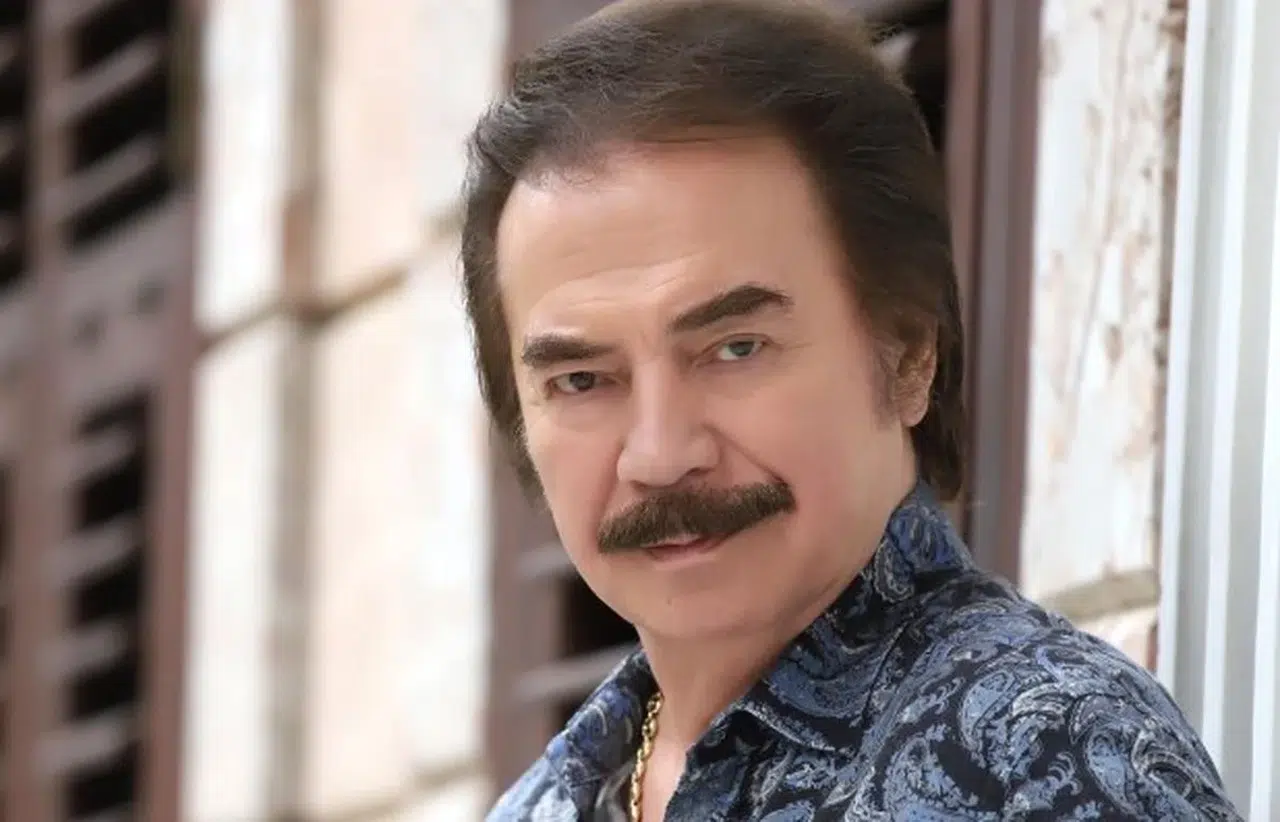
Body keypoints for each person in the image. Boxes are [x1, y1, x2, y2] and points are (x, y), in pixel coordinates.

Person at [460, 1, 1241, 819]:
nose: (660, 454)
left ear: (908, 354)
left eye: (736, 348)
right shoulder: (543, 805)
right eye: (583, 380)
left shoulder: (1042, 756)